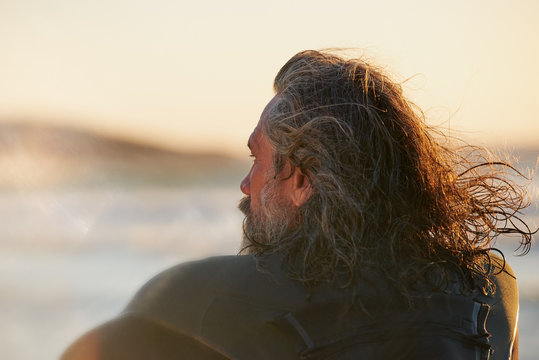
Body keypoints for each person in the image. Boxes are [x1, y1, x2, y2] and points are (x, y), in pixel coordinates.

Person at [61, 50, 534, 360]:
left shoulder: (194, 298)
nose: (246, 185)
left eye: (257, 160)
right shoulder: (490, 289)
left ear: (303, 179)